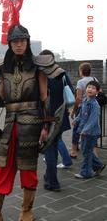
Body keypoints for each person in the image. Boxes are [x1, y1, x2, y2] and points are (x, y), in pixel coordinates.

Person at [0, 25, 62, 221]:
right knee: (3, 168)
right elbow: (0, 97)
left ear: (27, 43)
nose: (19, 44)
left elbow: (45, 97)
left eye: (22, 41)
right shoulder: (4, 69)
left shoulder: (39, 66)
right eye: (15, 41)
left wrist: (46, 127)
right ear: (10, 44)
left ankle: (26, 211)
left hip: (32, 124)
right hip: (10, 127)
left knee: (28, 170)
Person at [40, 50, 72, 192]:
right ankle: (49, 176)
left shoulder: (41, 74)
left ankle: (53, 182)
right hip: (61, 116)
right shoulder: (61, 72)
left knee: (48, 149)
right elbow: (70, 90)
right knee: (52, 147)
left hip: (47, 117)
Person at [73, 80, 106, 179]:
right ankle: (98, 165)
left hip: (91, 132)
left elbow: (93, 120)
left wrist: (85, 130)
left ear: (97, 92)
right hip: (84, 131)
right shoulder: (85, 100)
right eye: (89, 87)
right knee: (86, 150)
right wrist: (76, 119)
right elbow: (81, 114)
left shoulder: (95, 105)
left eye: (93, 88)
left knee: (86, 151)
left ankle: (85, 172)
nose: (90, 89)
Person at [70, 62, 97, 158]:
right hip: (92, 107)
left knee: (77, 129)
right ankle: (94, 153)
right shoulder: (94, 79)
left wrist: (73, 111)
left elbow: (78, 98)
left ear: (81, 71)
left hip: (82, 108)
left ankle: (73, 151)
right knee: (91, 129)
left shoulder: (80, 82)